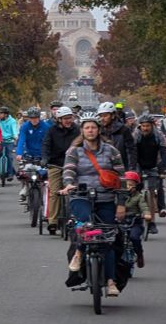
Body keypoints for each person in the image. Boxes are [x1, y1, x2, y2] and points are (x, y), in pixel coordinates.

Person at [60, 111, 127, 298]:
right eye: (87, 127)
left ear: (99, 130)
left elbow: (121, 177)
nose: (90, 130)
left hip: (106, 197)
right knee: (85, 226)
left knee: (108, 238)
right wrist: (69, 184)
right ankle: (79, 253)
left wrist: (121, 203)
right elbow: (69, 171)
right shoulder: (74, 151)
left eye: (93, 127)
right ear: (82, 130)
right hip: (81, 197)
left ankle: (111, 281)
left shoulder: (111, 151)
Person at [42, 106, 80, 234]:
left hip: (73, 165)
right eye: (65, 119)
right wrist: (45, 159)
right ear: (59, 120)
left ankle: (76, 217)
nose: (68, 121)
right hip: (55, 164)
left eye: (70, 118)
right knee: (54, 193)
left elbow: (82, 145)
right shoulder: (51, 130)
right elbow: (46, 145)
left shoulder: (77, 130)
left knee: (76, 191)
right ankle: (52, 221)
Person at [134, 114, 166, 233]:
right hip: (138, 164)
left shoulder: (158, 135)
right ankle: (135, 216)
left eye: (147, 126)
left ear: (152, 126)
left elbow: (163, 153)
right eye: (143, 126)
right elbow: (131, 151)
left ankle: (152, 222)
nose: (145, 128)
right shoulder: (136, 135)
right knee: (135, 190)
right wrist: (132, 168)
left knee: (154, 189)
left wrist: (164, 169)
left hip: (154, 165)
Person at [15, 106, 50, 201]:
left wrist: (48, 155)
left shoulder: (46, 127)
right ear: (29, 118)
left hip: (42, 155)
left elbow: (49, 142)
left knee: (44, 174)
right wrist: (19, 153)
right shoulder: (25, 127)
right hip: (29, 154)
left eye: (36, 118)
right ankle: (25, 186)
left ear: (39, 117)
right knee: (24, 171)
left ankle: (45, 191)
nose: (34, 120)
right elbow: (21, 140)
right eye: (32, 118)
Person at [121, 171, 152, 268]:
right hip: (121, 221)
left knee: (134, 237)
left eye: (131, 185)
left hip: (135, 222)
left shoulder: (139, 197)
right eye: (125, 184)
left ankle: (139, 254)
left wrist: (146, 214)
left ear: (136, 186)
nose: (128, 187)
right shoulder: (118, 196)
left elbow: (144, 206)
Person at [98, 101, 137, 172]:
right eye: (100, 116)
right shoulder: (99, 130)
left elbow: (131, 151)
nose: (102, 119)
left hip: (122, 168)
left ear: (112, 115)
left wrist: (131, 170)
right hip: (104, 170)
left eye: (105, 115)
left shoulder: (123, 129)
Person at [0, 106, 19, 181]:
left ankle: (10, 174)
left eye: (1, 113)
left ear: (6, 114)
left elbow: (14, 130)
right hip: (0, 140)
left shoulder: (12, 121)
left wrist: (15, 137)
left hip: (9, 141)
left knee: (9, 156)